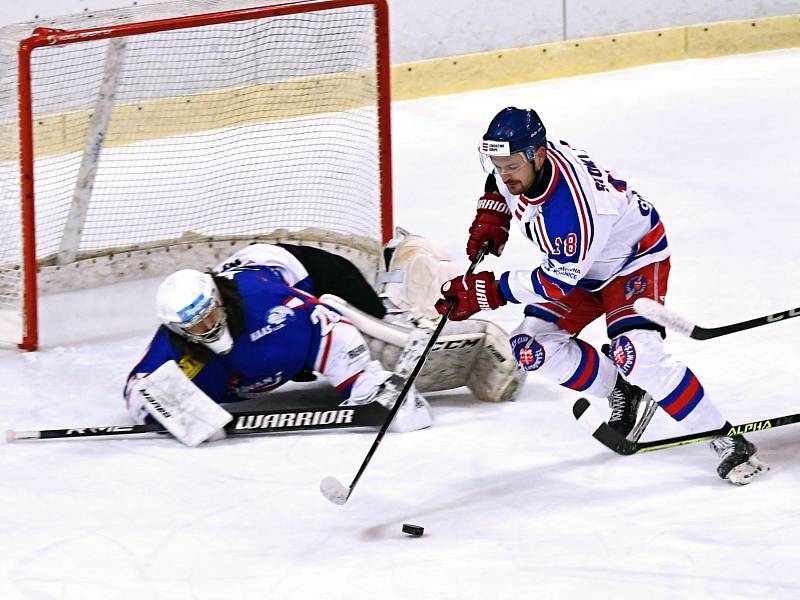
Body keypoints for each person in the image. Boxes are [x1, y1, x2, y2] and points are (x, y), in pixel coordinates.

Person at [436, 106, 768, 485]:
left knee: (638, 357)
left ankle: (725, 438)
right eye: (497, 163)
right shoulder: (529, 163)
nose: (503, 173)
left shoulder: (574, 210)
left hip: (633, 261)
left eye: (511, 165)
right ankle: (621, 390)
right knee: (529, 347)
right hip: (581, 269)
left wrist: (488, 291)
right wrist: (493, 209)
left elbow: (556, 283)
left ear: (537, 155)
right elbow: (501, 184)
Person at [124, 243, 433, 444]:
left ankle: (406, 260)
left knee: (383, 334)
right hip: (266, 287)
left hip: (313, 272)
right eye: (196, 325)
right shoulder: (174, 345)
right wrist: (179, 412)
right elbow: (138, 387)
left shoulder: (263, 303)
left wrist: (365, 381)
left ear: (219, 300)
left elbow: (325, 321)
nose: (209, 327)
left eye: (210, 314)